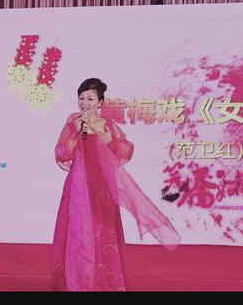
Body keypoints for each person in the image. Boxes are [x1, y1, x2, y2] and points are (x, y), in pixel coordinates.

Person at [50, 78, 180, 291]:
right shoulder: (73, 123)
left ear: (100, 102)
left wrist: (107, 138)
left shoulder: (108, 126)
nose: (84, 103)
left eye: (90, 99)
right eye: (81, 98)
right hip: (77, 186)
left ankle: (104, 281)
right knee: (78, 231)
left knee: (104, 231)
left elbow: (125, 150)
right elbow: (61, 153)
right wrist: (75, 135)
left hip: (102, 186)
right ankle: (78, 283)